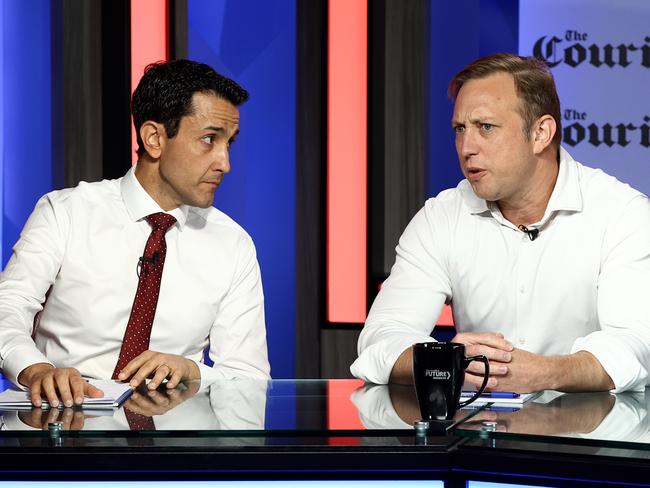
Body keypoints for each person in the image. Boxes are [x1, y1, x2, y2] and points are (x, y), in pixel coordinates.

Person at [351, 53, 650, 393]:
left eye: (486, 127)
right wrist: (445, 360)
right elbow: (380, 339)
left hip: (594, 442)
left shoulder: (622, 215)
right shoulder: (441, 218)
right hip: (479, 439)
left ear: (540, 133)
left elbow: (637, 345)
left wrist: (548, 373)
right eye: (460, 129)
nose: (466, 147)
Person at [0, 59, 270, 408]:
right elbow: (8, 308)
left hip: (173, 447)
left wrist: (193, 371)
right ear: (154, 138)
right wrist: (36, 370)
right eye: (209, 140)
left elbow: (250, 376)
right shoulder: (66, 212)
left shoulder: (234, 245)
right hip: (62, 435)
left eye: (229, 143)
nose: (225, 162)